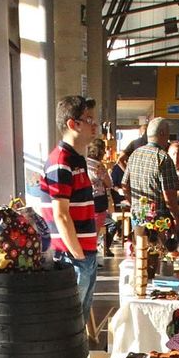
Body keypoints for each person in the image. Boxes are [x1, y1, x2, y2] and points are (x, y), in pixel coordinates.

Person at [39, 95, 101, 328]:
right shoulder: (61, 161)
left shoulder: (76, 159)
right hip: (73, 257)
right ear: (73, 124)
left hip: (83, 254)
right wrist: (78, 255)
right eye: (89, 119)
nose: (94, 125)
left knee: (78, 323)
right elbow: (61, 214)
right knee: (69, 324)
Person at [126, 117, 179, 244]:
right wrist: (175, 216)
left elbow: (125, 184)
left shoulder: (135, 154)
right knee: (158, 254)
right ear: (162, 133)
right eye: (167, 133)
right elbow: (169, 194)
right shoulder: (163, 158)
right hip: (158, 218)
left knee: (141, 254)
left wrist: (133, 204)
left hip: (137, 215)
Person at [86, 137, 115, 260]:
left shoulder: (83, 163)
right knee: (95, 233)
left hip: (86, 200)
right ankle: (92, 258)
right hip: (98, 202)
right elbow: (109, 183)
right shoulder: (99, 167)